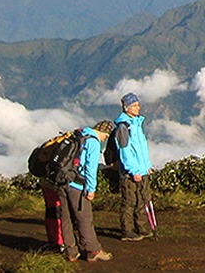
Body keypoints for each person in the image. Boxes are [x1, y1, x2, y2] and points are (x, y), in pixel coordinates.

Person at [60, 121, 116, 262]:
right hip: (78, 186)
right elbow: (91, 169)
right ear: (104, 132)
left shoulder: (78, 135)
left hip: (63, 181)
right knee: (84, 218)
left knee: (66, 217)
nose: (105, 139)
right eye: (106, 135)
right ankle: (92, 250)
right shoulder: (93, 142)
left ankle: (70, 251)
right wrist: (91, 189)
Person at [113, 93, 155, 242]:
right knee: (130, 201)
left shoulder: (136, 124)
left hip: (142, 170)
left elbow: (141, 149)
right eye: (135, 105)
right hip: (129, 172)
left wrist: (147, 166)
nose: (138, 108)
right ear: (126, 107)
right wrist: (133, 170)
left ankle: (142, 227)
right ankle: (127, 230)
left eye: (138, 104)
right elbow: (125, 152)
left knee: (142, 199)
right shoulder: (124, 127)